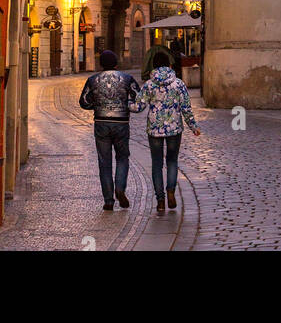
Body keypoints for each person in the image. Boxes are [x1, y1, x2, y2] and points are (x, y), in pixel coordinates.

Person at [132, 50, 200, 213]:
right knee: (172, 161)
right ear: (169, 65)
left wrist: (124, 104)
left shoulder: (149, 84)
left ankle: (160, 200)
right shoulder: (178, 83)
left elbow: (138, 107)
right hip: (174, 128)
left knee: (156, 164)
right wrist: (193, 125)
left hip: (154, 129)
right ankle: (171, 190)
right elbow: (186, 107)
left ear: (153, 66)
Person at [79, 49, 140, 211]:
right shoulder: (127, 79)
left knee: (104, 161)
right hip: (121, 123)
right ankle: (120, 188)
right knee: (122, 157)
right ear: (116, 63)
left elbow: (83, 101)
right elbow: (138, 100)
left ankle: (108, 200)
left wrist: (97, 106)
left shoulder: (93, 79)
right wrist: (125, 106)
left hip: (101, 122)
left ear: (101, 65)